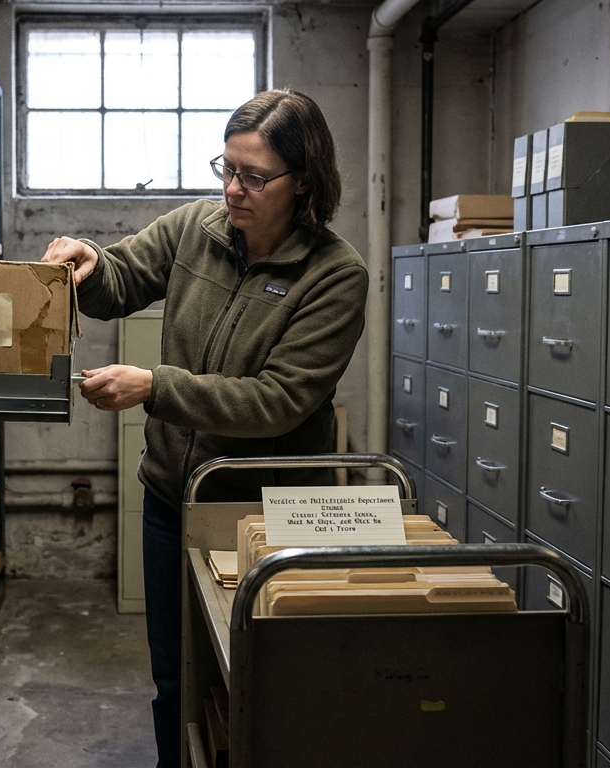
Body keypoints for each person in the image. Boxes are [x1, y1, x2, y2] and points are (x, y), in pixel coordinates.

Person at [40, 89, 369, 766]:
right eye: (226, 168)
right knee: (175, 677)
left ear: (303, 181)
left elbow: (278, 401)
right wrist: (92, 263)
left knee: (258, 678)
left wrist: (156, 387)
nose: (234, 190)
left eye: (254, 177)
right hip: (173, 496)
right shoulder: (198, 227)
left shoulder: (335, 276)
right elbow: (125, 276)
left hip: (267, 508)